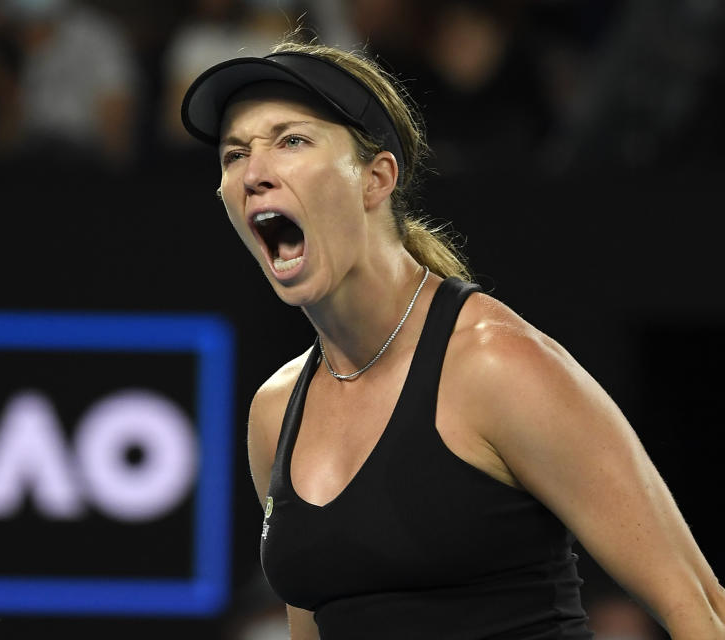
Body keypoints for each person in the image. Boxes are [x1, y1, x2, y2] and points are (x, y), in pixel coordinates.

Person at [180, 40, 725, 639]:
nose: (254, 174)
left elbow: (701, 609)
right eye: (235, 154)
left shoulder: (496, 363)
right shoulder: (276, 412)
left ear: (376, 178)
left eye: (292, 140)